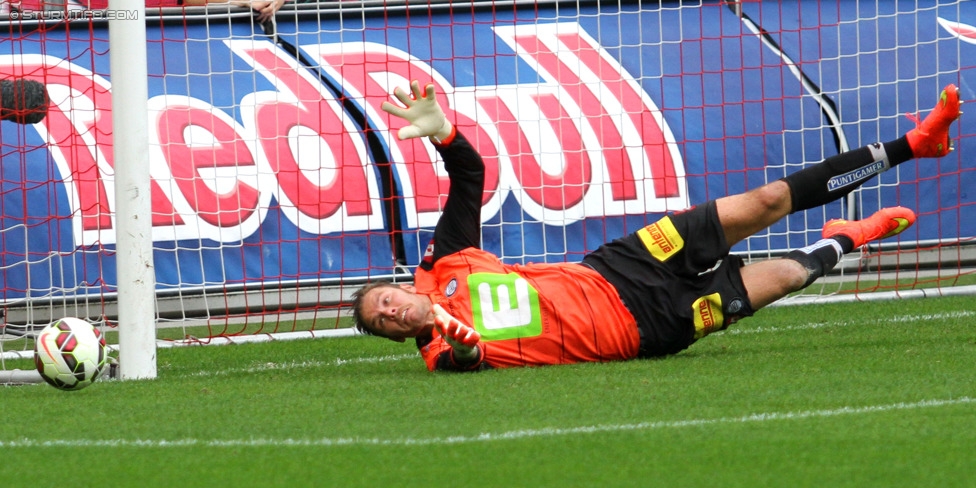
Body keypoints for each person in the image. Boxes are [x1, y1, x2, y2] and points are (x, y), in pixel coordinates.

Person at [351, 80, 962, 372]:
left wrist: (444, 133)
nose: (391, 312)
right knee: (783, 277)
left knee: (767, 198)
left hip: (619, 265)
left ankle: (914, 142)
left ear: (399, 285)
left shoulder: (445, 261)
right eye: (384, 322)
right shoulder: (438, 353)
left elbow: (470, 174)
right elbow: (469, 354)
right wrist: (454, 337)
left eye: (385, 300)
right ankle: (850, 237)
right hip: (644, 329)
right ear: (396, 335)